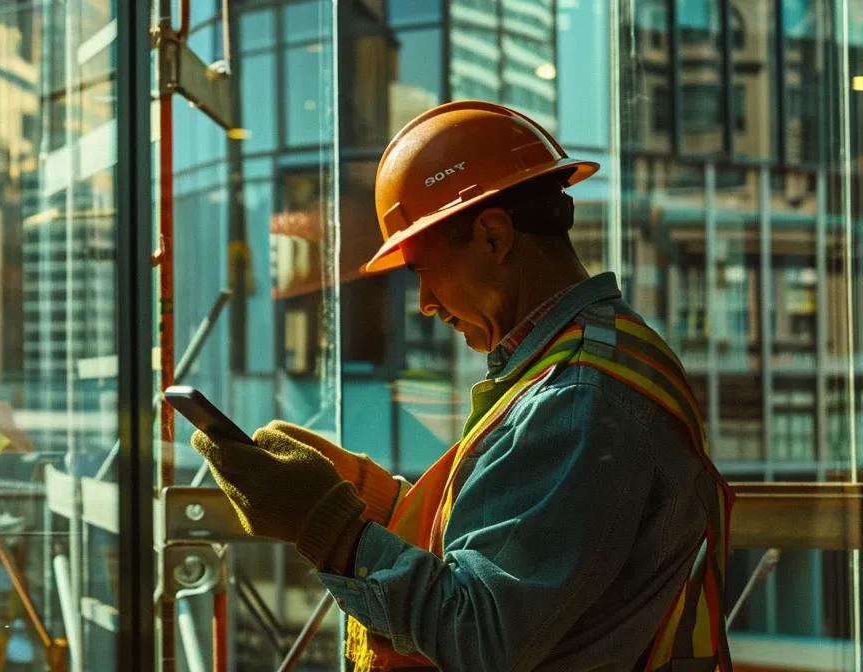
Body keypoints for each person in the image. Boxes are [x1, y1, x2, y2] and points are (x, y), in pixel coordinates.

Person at [190, 100, 734, 671]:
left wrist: (326, 524)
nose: (425, 303)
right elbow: (522, 550)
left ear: (494, 237)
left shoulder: (578, 395)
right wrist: (369, 499)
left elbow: (481, 635)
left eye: (423, 270)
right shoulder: (588, 361)